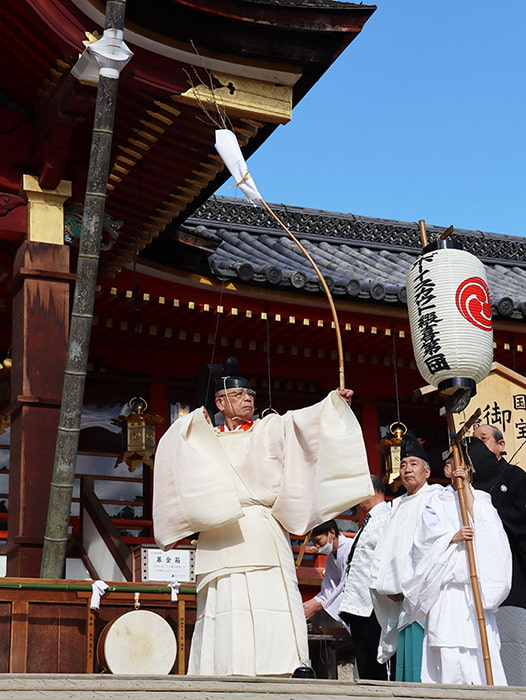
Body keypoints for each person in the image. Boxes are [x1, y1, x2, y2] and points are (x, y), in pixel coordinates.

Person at [152, 376, 373, 676]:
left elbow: (302, 422)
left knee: (270, 596)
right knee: (224, 599)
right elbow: (173, 452)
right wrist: (191, 423)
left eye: (250, 393)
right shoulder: (207, 440)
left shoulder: (268, 428)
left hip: (262, 524)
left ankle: (283, 666)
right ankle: (221, 668)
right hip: (219, 530)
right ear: (220, 402)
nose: (247, 399)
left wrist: (333, 407)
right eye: (238, 393)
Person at [402, 456, 511, 685]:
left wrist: (467, 488)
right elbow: (423, 541)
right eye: (451, 464)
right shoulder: (436, 500)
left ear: (469, 468)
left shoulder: (481, 499)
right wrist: (452, 537)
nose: (455, 468)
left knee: (481, 650)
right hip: (448, 591)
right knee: (447, 648)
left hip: (475, 593)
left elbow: (490, 535)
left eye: (461, 464)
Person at [369, 431, 442, 682]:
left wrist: (414, 583)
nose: (407, 469)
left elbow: (436, 543)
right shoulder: (396, 505)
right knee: (405, 657)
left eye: (413, 464)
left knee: (426, 658)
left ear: (427, 472)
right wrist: (386, 584)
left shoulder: (438, 498)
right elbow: (387, 549)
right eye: (403, 464)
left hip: (427, 592)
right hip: (399, 593)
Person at [469, 424, 526, 686]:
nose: (477, 447)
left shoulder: (515, 477)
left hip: (513, 571)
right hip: (476, 575)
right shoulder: (468, 488)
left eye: (483, 440)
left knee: (513, 639)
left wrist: (490, 516)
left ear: (501, 446)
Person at [339, 474, 391, 680]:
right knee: (364, 661)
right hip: (358, 602)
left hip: (374, 603)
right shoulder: (368, 522)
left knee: (376, 662)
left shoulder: (387, 518)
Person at [303, 519, 353, 628]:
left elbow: (346, 586)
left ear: (332, 533)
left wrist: (318, 605)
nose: (316, 546)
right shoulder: (331, 557)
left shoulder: (350, 549)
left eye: (318, 540)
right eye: (313, 543)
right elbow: (329, 588)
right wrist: (308, 604)